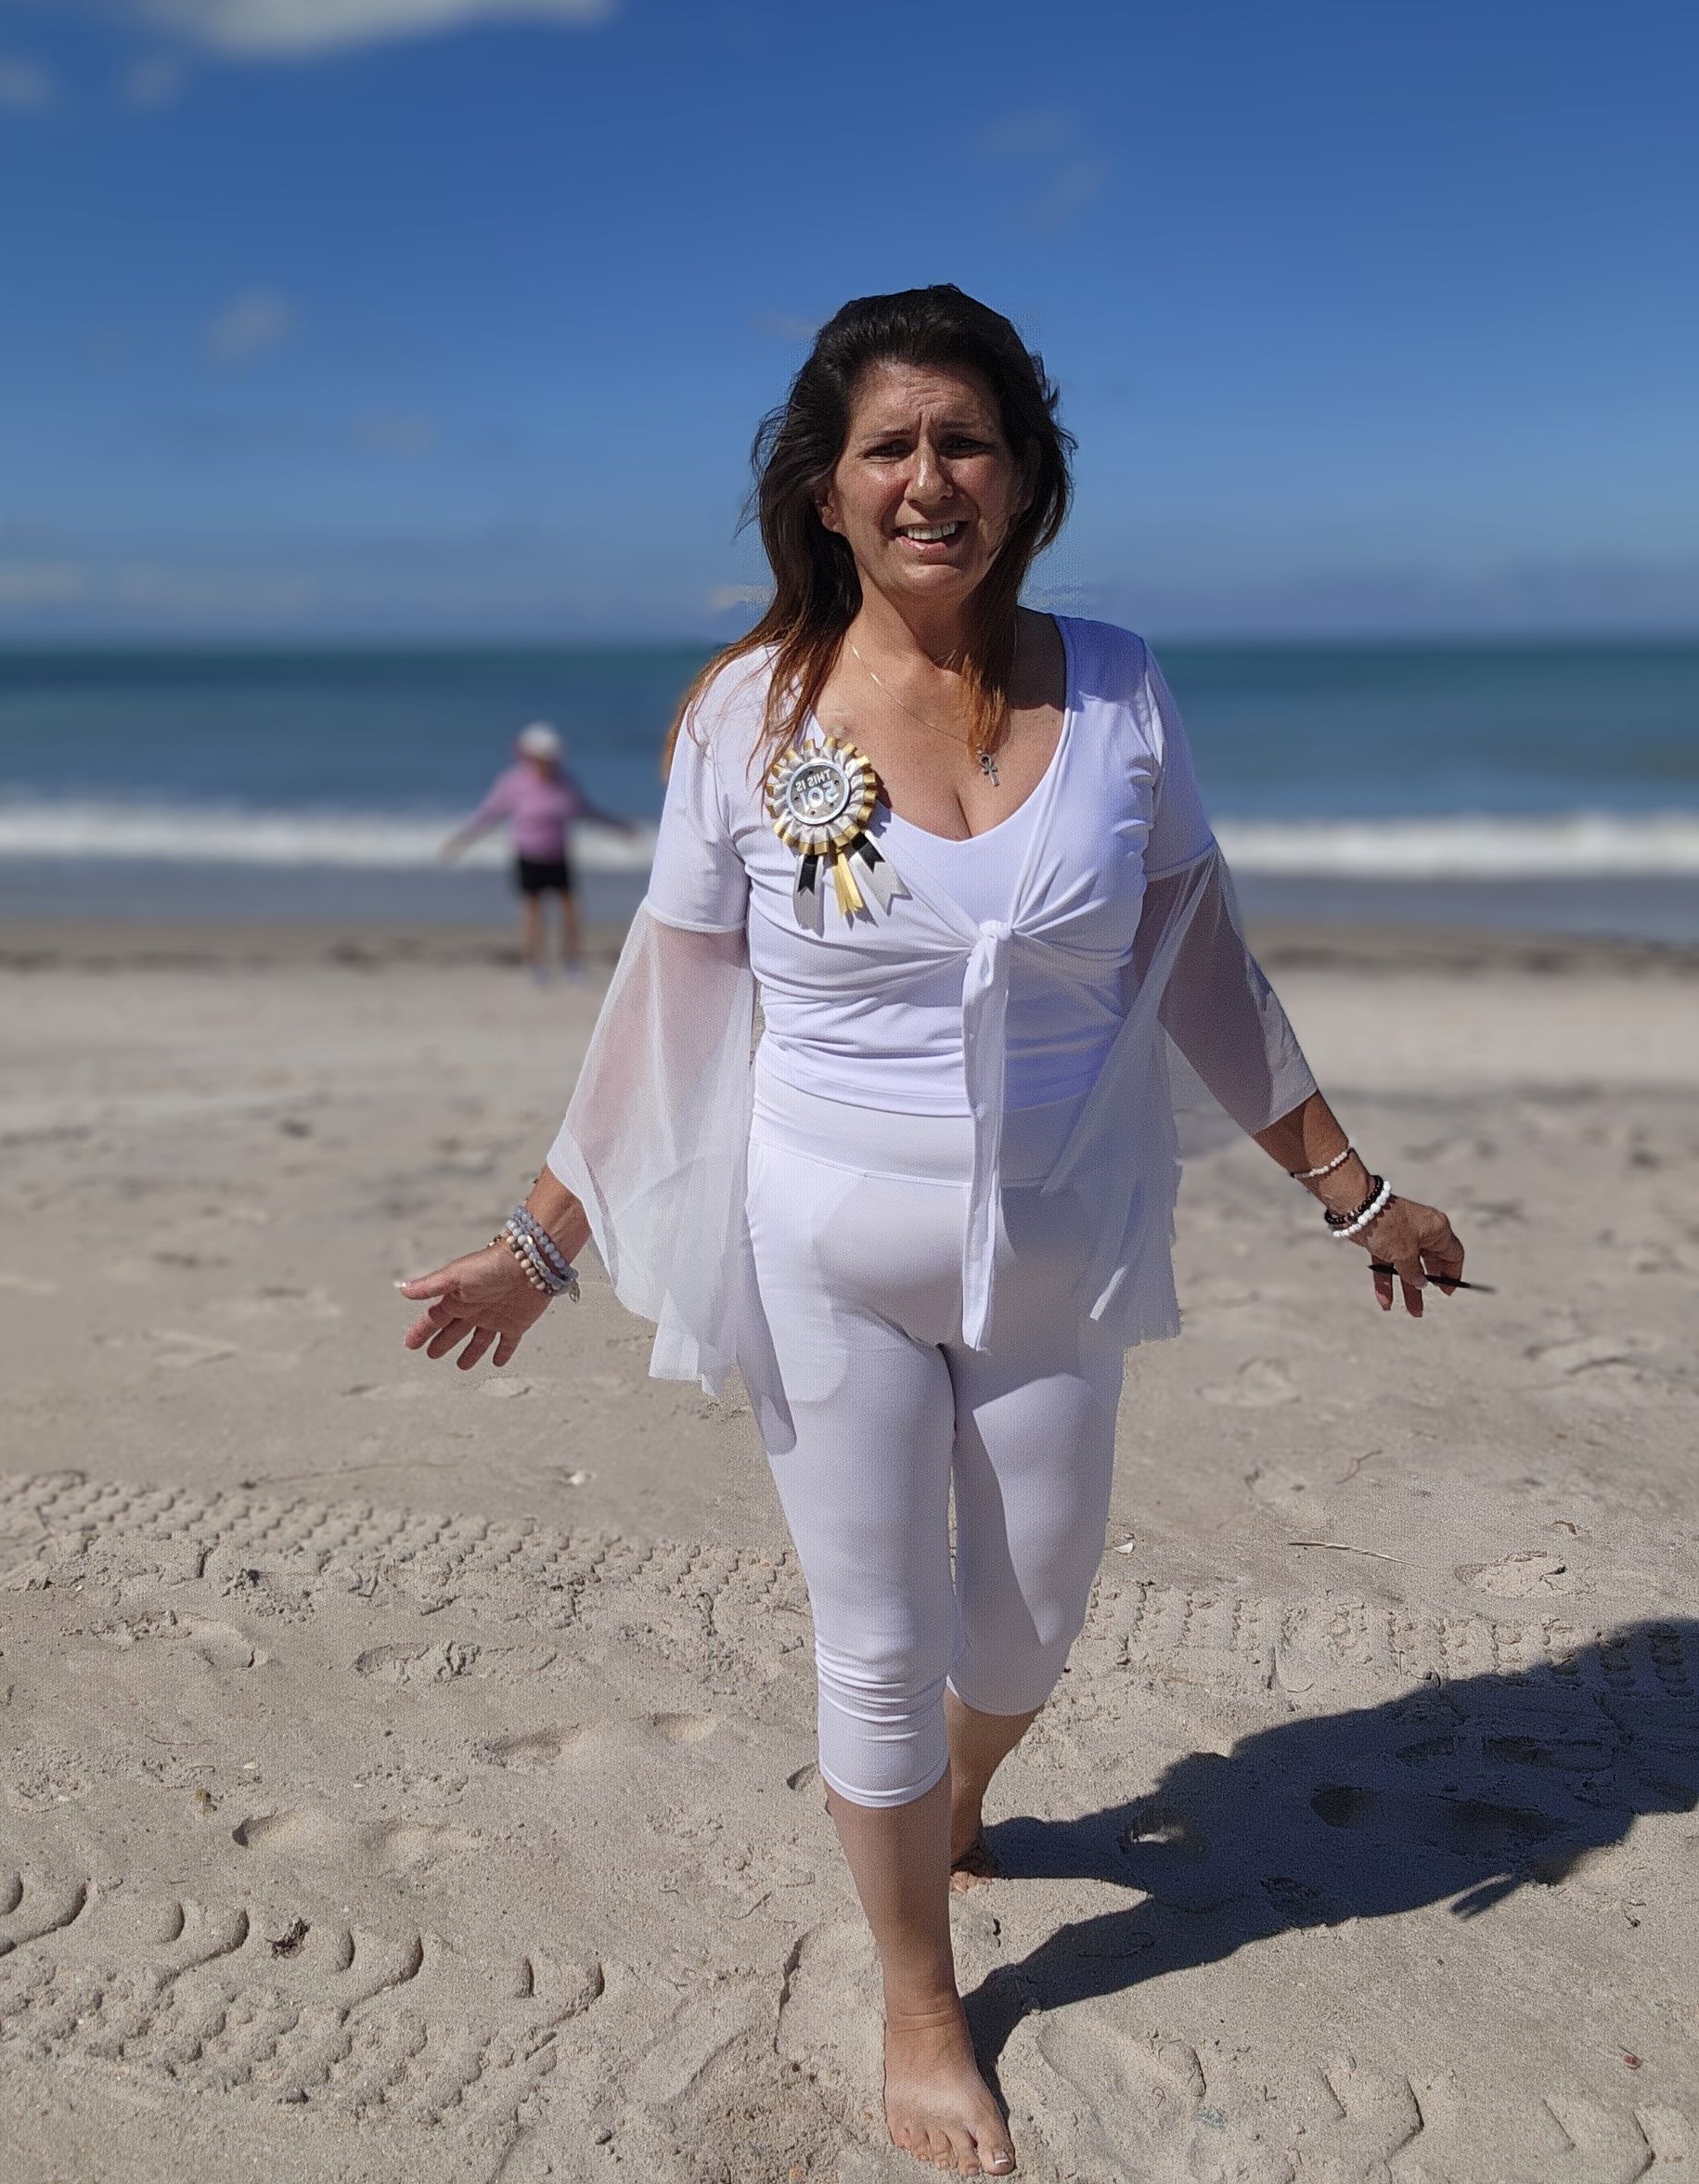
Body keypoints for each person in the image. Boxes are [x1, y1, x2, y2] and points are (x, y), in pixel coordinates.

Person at [397, 286, 1466, 2178]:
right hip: (829, 1245)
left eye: (964, 441)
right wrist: (542, 1239)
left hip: (1057, 1236)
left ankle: (957, 1798)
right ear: (824, 488)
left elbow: (1200, 960)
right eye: (888, 446)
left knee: (1032, 1622)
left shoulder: (1121, 683)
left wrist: (1351, 1182)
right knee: (876, 1641)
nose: (927, 478)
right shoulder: (750, 716)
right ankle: (917, 1989)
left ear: (1025, 474)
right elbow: (666, 1009)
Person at [441, 721, 628, 978]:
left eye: (551, 759)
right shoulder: (513, 783)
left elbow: (587, 811)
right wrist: (461, 839)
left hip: (558, 855)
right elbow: (488, 814)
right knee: (533, 910)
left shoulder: (565, 783)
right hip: (529, 855)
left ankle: (572, 959)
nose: (548, 764)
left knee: (570, 908)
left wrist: (618, 827)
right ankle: (536, 962)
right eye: (543, 758)